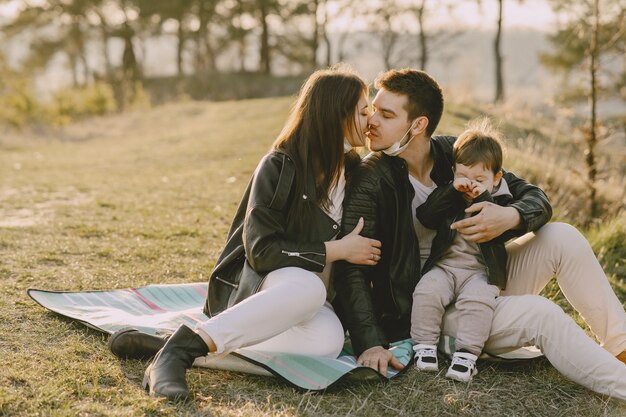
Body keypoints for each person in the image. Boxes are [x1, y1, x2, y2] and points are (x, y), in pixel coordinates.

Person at [333, 68, 626, 399]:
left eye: (386, 114)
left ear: (418, 125)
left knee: (563, 237)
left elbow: (533, 196)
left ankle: (621, 347)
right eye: (373, 110)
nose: (372, 120)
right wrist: (370, 342)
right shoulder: (370, 179)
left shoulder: (452, 153)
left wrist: (510, 215)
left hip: (480, 276)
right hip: (430, 305)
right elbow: (351, 267)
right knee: (541, 313)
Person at [110, 66, 383, 402]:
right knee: (309, 286)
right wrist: (336, 250)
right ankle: (175, 355)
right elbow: (261, 251)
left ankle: (183, 342)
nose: (370, 117)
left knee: (327, 342)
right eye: (363, 109)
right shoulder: (280, 166)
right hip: (256, 284)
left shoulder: (355, 172)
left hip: (307, 304)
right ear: (336, 114)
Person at [411, 119, 513, 382]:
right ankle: (424, 346)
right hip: (445, 266)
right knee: (426, 290)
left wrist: (483, 197)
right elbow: (426, 216)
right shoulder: (451, 193)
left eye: (480, 179)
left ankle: (466, 356)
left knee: (478, 302)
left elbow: (506, 229)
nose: (470, 184)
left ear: (496, 178)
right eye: (464, 176)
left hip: (480, 272)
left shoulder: (501, 201)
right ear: (454, 170)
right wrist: (450, 191)